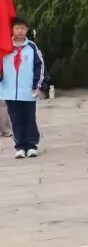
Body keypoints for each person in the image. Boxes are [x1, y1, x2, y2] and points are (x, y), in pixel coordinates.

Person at [0, 18, 45, 158]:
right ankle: (20, 146)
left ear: (27, 30)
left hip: (28, 91)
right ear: (12, 30)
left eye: (23, 28)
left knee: (29, 118)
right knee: (15, 119)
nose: (20, 31)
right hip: (9, 91)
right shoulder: (5, 46)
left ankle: (31, 145)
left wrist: (37, 86)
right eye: (17, 28)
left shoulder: (32, 47)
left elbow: (40, 66)